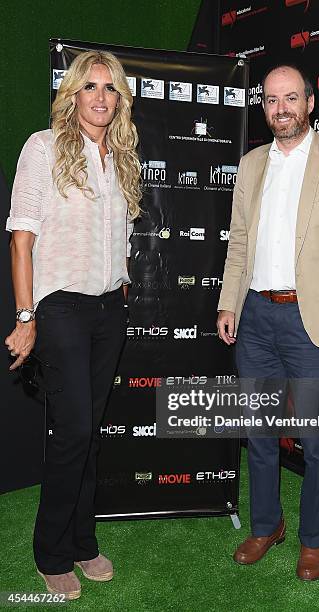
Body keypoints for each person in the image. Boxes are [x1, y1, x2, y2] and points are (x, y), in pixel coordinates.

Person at [217, 63, 319, 580]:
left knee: (317, 441)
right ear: (262, 106)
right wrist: (229, 302)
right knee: (260, 435)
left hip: (314, 322)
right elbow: (239, 242)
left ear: (310, 103)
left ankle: (314, 538)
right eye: (270, 100)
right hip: (257, 316)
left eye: (290, 98)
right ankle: (267, 525)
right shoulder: (249, 166)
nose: (280, 108)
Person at [5, 50, 142, 599]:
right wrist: (25, 314)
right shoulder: (43, 148)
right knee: (75, 431)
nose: (100, 98)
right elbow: (22, 237)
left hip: (109, 308)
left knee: (90, 435)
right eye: (90, 87)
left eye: (110, 89)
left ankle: (83, 542)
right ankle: (51, 551)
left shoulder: (123, 156)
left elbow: (120, 235)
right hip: (59, 305)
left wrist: (122, 283)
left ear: (120, 98)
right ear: (73, 95)